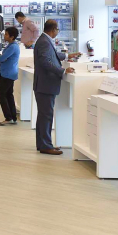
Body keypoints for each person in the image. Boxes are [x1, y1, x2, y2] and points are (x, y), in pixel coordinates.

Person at [33, 19, 74, 155]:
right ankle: (45, 145)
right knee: (46, 115)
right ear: (54, 29)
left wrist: (67, 56)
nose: (57, 32)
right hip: (45, 84)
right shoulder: (45, 41)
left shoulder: (45, 40)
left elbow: (53, 56)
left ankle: (43, 143)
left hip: (44, 84)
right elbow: (45, 61)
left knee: (44, 115)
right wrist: (62, 70)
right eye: (57, 30)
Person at [0, 27, 20, 125]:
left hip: (8, 74)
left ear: (12, 37)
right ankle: (13, 117)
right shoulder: (11, 45)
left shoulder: (13, 47)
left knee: (1, 94)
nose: (4, 36)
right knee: (8, 95)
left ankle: (8, 117)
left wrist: (0, 57)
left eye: (6, 34)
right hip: (7, 73)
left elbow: (2, 58)